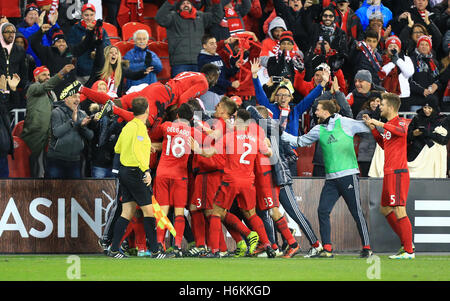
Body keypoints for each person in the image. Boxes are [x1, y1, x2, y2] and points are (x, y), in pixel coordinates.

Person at [282, 99, 373, 258]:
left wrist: (373, 121)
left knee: (356, 212)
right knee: (322, 211)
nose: (315, 113)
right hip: (331, 179)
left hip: (348, 176)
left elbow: (368, 127)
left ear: (326, 111)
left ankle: (367, 247)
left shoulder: (345, 122)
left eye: (317, 110)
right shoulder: (318, 129)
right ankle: (328, 249)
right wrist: (279, 133)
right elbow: (299, 141)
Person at [192, 109, 276, 258]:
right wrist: (268, 145)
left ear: (238, 121)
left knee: (216, 213)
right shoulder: (255, 139)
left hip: (230, 181)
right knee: (251, 214)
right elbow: (269, 154)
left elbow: (208, 153)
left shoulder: (229, 137)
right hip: (248, 183)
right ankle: (267, 245)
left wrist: (197, 148)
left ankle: (215, 251)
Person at [107, 96, 162, 258]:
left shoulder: (129, 126)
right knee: (149, 211)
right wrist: (146, 171)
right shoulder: (139, 128)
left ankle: (114, 249)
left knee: (127, 211)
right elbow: (137, 150)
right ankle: (155, 251)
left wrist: (146, 146)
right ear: (147, 110)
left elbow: (118, 147)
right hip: (136, 172)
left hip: (124, 171)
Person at [79, 64, 220, 126]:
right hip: (161, 96)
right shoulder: (204, 83)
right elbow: (183, 99)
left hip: (157, 87)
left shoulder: (190, 73)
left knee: (116, 101)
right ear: (213, 75)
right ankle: (113, 110)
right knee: (145, 122)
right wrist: (183, 118)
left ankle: (81, 89)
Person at [362, 92, 415, 259]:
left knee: (399, 209)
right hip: (389, 173)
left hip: (398, 173)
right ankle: (406, 243)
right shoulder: (389, 125)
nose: (380, 107)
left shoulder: (401, 122)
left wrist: (378, 123)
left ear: (391, 107)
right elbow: (384, 145)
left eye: (382, 104)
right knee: (385, 209)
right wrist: (373, 129)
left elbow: (401, 132)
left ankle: (408, 251)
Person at [150, 103, 203, 257]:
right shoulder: (193, 132)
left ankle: (160, 243)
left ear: (177, 116)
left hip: (163, 173)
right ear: (191, 118)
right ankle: (178, 246)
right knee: (179, 212)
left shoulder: (166, 126)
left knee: (163, 210)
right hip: (180, 175)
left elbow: (159, 136)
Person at [21, 64, 74, 178]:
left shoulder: (51, 93)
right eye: (44, 74)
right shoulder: (33, 87)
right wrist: (62, 73)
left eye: (49, 74)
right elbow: (46, 86)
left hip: (48, 135)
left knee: (46, 168)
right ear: (36, 77)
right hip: (35, 134)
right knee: (35, 168)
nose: (47, 77)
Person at [155, 0, 223, 77]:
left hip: (199, 61)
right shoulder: (173, 17)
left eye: (188, 3)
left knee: (199, 88)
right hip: (179, 63)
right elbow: (159, 18)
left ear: (192, 5)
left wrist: (216, 3)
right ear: (178, 6)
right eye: (183, 3)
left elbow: (217, 17)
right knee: (180, 88)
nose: (186, 5)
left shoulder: (201, 16)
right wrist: (170, 2)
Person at [45, 79, 94, 179]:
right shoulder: (56, 112)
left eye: (78, 97)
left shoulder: (82, 114)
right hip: (56, 159)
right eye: (74, 96)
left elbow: (90, 136)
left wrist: (82, 126)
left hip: (75, 160)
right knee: (52, 190)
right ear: (65, 98)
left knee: (73, 192)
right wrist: (72, 121)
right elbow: (56, 133)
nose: (77, 99)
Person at [66, 3, 110, 84]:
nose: (89, 18)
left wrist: (98, 48)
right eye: (86, 15)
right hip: (80, 72)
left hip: (97, 72)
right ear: (82, 15)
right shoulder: (74, 29)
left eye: (91, 15)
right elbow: (70, 49)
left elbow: (107, 47)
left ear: (95, 15)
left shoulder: (101, 30)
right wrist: (84, 42)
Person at [197, 33, 239, 111]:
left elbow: (226, 72)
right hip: (210, 92)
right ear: (204, 46)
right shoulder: (203, 60)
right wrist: (230, 84)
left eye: (215, 43)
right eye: (211, 43)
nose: (215, 45)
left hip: (221, 93)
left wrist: (236, 67)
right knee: (211, 117)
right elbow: (212, 79)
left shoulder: (217, 56)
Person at [407, 99, 449, 173]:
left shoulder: (443, 120)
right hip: (417, 152)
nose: (426, 110)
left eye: (429, 108)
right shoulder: (417, 118)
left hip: (434, 155)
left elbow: (444, 140)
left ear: (434, 108)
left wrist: (427, 133)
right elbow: (407, 137)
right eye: (424, 107)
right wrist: (413, 134)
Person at [408, 35, 442, 112]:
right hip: (416, 101)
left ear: (430, 47)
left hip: (431, 103)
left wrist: (436, 85)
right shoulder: (411, 60)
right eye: (422, 44)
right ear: (418, 46)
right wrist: (421, 90)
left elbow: (439, 79)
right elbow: (408, 80)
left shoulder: (434, 62)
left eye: (427, 44)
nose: (424, 47)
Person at [355, 97, 381, 177]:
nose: (375, 103)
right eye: (372, 100)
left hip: (381, 154)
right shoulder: (363, 114)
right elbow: (359, 130)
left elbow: (385, 130)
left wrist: (372, 123)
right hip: (366, 153)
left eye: (378, 101)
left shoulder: (385, 115)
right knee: (365, 179)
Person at [0, 22, 27, 89]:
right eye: (7, 32)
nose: (11, 34)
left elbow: (23, 70)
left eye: (13, 32)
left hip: (14, 87)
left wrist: (21, 86)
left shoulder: (20, 50)